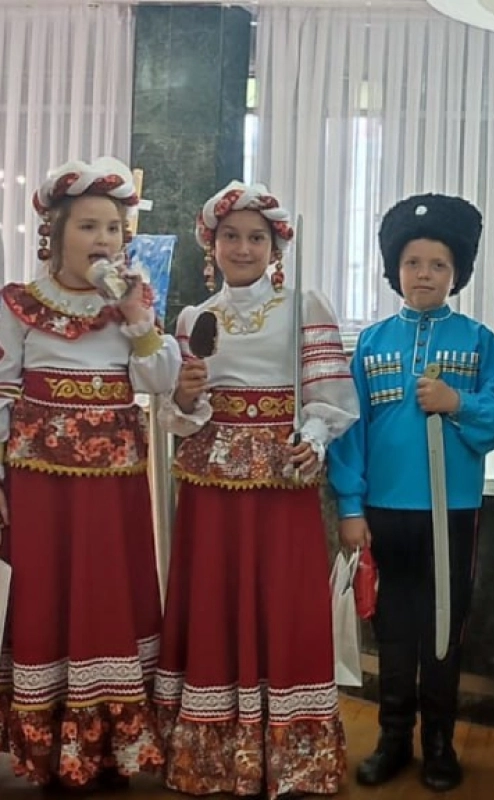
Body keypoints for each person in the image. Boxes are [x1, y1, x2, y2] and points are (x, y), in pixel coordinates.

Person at [154, 181, 358, 798]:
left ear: (276, 248)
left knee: (285, 598)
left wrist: (313, 436)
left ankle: (293, 757)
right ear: (210, 244)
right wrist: (185, 395)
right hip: (211, 483)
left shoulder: (304, 305)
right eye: (230, 236)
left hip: (281, 477)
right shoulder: (192, 319)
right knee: (213, 595)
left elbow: (329, 392)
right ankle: (213, 754)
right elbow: (180, 414)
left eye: (256, 238)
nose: (243, 248)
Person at [0, 157, 179, 789]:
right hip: (40, 487)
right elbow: (1, 391)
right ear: (55, 233)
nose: (103, 239)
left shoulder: (132, 303)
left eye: (112, 229)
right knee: (47, 597)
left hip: (113, 490)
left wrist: (138, 321)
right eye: (87, 226)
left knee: (109, 599)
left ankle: (110, 750)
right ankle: (51, 753)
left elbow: (160, 380)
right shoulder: (20, 304)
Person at [329, 193, 494, 793]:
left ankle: (439, 741)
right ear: (395, 270)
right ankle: (392, 737)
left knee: (443, 629)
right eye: (413, 263)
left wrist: (457, 402)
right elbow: (349, 430)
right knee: (393, 630)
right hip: (384, 510)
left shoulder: (480, 342)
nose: (425, 274)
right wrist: (351, 506)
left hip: (450, 511)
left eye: (438, 264)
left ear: (456, 272)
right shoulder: (371, 343)